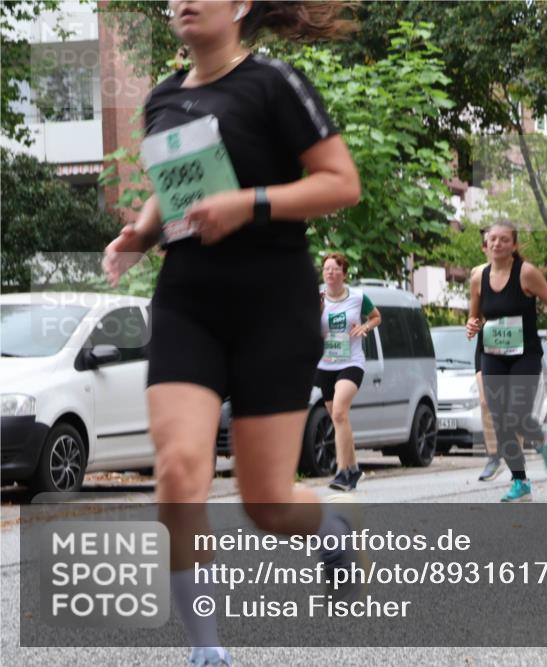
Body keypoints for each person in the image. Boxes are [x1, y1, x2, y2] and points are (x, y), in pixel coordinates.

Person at [102, 2, 360, 665]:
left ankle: (330, 528)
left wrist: (250, 203)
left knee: (267, 503)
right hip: (190, 302)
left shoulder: (276, 83)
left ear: (241, 5)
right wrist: (142, 231)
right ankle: (208, 650)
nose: (181, 0)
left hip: (273, 305)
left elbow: (341, 183)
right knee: (179, 470)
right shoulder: (161, 97)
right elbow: (176, 181)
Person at [466, 220, 547, 502]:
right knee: (500, 420)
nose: (497, 243)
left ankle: (542, 437)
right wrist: (472, 326)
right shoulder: (478, 278)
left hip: (526, 355)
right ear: (486, 244)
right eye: (492, 239)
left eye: (504, 239)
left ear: (514, 245)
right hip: (493, 354)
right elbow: (475, 317)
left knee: (516, 415)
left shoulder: (526, 273)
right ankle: (520, 482)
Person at [318, 253, 380, 491]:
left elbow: (376, 317)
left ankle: (342, 472)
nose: (330, 273)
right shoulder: (317, 296)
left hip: (351, 362)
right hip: (324, 365)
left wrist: (365, 326)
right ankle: (354, 468)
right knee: (337, 417)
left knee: (340, 413)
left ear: (344, 273)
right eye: (326, 269)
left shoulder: (358, 297)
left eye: (335, 269)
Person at [472, 234, 505, 482]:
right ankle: (493, 456)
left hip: (512, 341)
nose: (491, 247)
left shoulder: (517, 273)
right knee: (485, 402)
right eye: (487, 243)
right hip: (486, 341)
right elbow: (475, 311)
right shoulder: (477, 274)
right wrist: (472, 324)